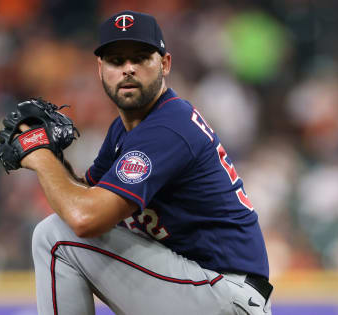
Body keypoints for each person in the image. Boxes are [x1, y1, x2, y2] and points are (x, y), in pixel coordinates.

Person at [22, 10, 273, 315]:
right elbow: (86, 194)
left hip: (223, 292)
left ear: (165, 64)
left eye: (140, 58)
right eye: (116, 60)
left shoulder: (168, 126)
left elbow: (84, 219)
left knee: (54, 236)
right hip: (202, 290)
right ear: (100, 69)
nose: (128, 69)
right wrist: (52, 156)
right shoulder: (126, 129)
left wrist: (40, 157)